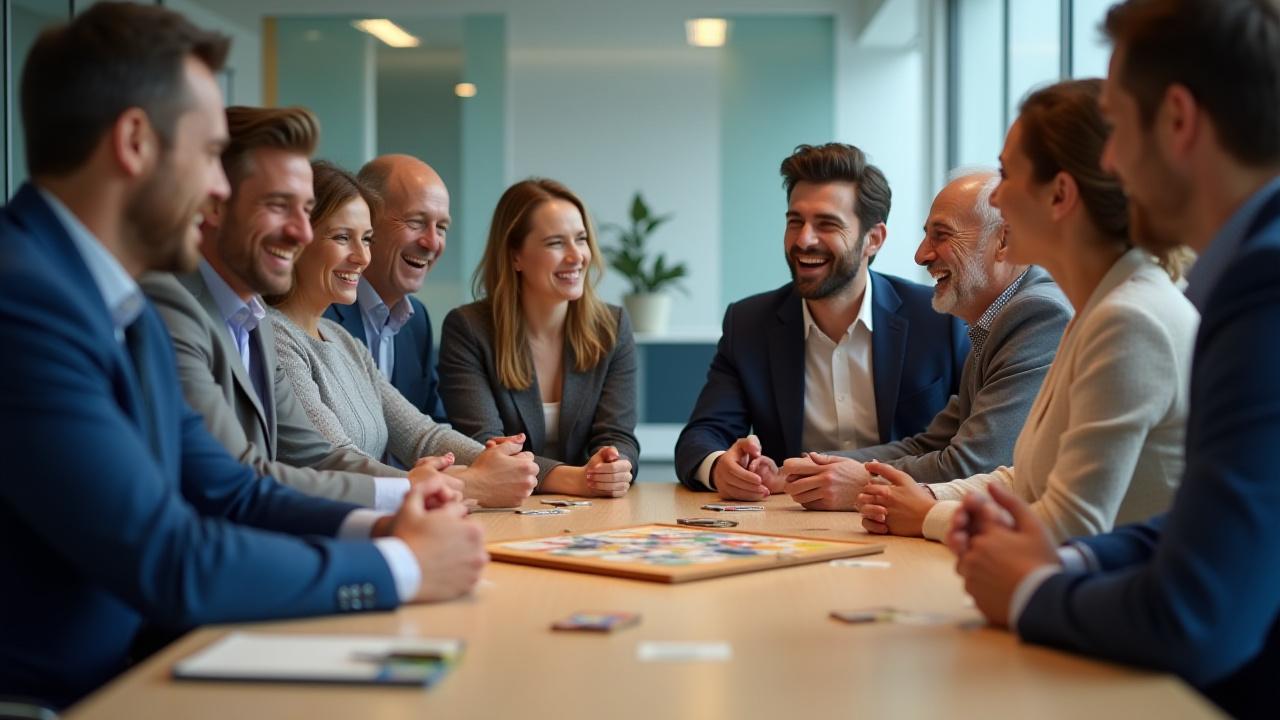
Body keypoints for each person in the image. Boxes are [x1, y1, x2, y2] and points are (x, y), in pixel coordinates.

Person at [0, 4, 485, 708]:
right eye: (205, 154)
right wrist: (401, 566)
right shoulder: (25, 302)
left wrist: (386, 524)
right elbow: (170, 557)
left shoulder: (119, 303)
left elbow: (228, 489)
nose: (220, 187)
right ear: (135, 142)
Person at [949, 2, 1280, 716]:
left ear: (1179, 121)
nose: (1110, 161)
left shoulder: (1260, 288)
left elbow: (1197, 617)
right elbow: (1213, 517)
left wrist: (1033, 590)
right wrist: (1068, 562)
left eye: (1120, 126)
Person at [857, 78, 1196, 543]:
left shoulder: (1128, 319)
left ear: (1059, 196)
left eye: (1008, 175)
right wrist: (929, 500)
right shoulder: (1096, 309)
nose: (996, 198)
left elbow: (1071, 523)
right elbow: (1027, 478)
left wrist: (928, 516)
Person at [141, 106, 427, 511]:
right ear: (215, 203)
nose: (302, 233)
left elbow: (318, 457)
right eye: (278, 205)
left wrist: (427, 492)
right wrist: (415, 495)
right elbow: (238, 478)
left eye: (306, 210)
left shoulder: (252, 321)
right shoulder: (171, 306)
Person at [674, 142, 969, 500]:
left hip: (904, 517)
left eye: (826, 224)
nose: (803, 239)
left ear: (872, 240)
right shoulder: (749, 324)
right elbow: (700, 437)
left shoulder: (940, 317)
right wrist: (722, 466)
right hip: (794, 527)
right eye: (795, 221)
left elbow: (969, 446)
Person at [778, 170, 1072, 509]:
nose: (921, 255)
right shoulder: (993, 320)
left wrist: (862, 483)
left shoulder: (1038, 313)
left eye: (941, 235)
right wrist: (812, 467)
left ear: (1004, 241)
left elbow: (975, 464)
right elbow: (928, 445)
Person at [269, 161, 539, 508]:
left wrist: (503, 460)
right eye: (341, 237)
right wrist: (468, 484)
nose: (361, 256)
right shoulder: (274, 334)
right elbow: (334, 460)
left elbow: (422, 435)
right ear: (298, 241)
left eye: (366, 239)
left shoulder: (342, 339)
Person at [438, 179, 639, 497]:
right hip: (504, 509)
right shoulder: (468, 329)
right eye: (556, 243)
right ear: (515, 256)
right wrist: (577, 479)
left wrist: (612, 464)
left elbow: (617, 435)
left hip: (594, 511)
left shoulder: (611, 326)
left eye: (581, 239)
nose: (577, 256)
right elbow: (482, 445)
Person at [324, 154, 450, 421]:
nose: (432, 242)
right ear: (368, 220)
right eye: (415, 222)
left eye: (441, 227)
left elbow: (432, 427)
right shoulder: (318, 309)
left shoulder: (418, 322)